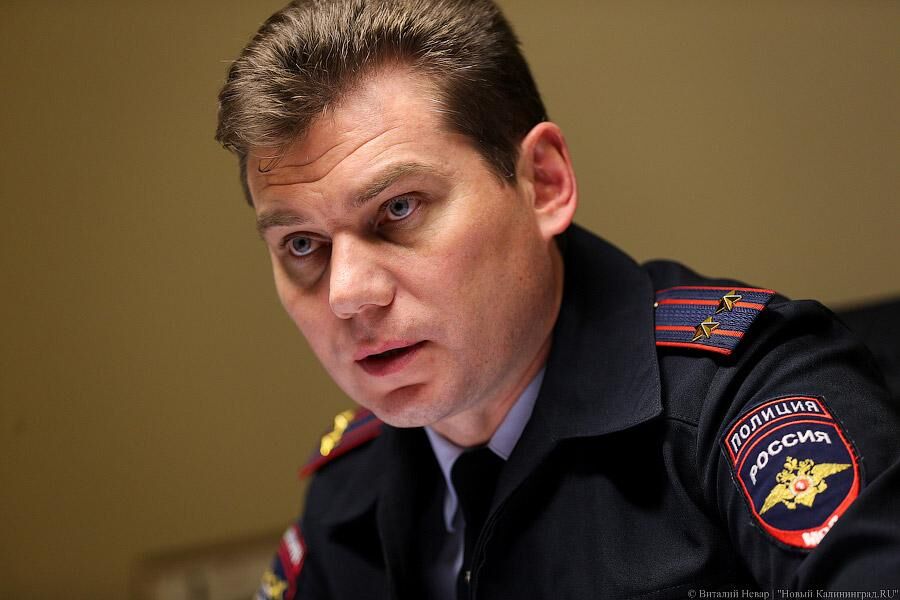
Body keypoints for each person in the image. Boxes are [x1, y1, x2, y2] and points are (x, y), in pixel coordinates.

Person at [214, 1, 900, 598]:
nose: (347, 294)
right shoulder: (347, 488)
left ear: (543, 182)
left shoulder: (748, 400)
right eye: (301, 244)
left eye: (399, 208)